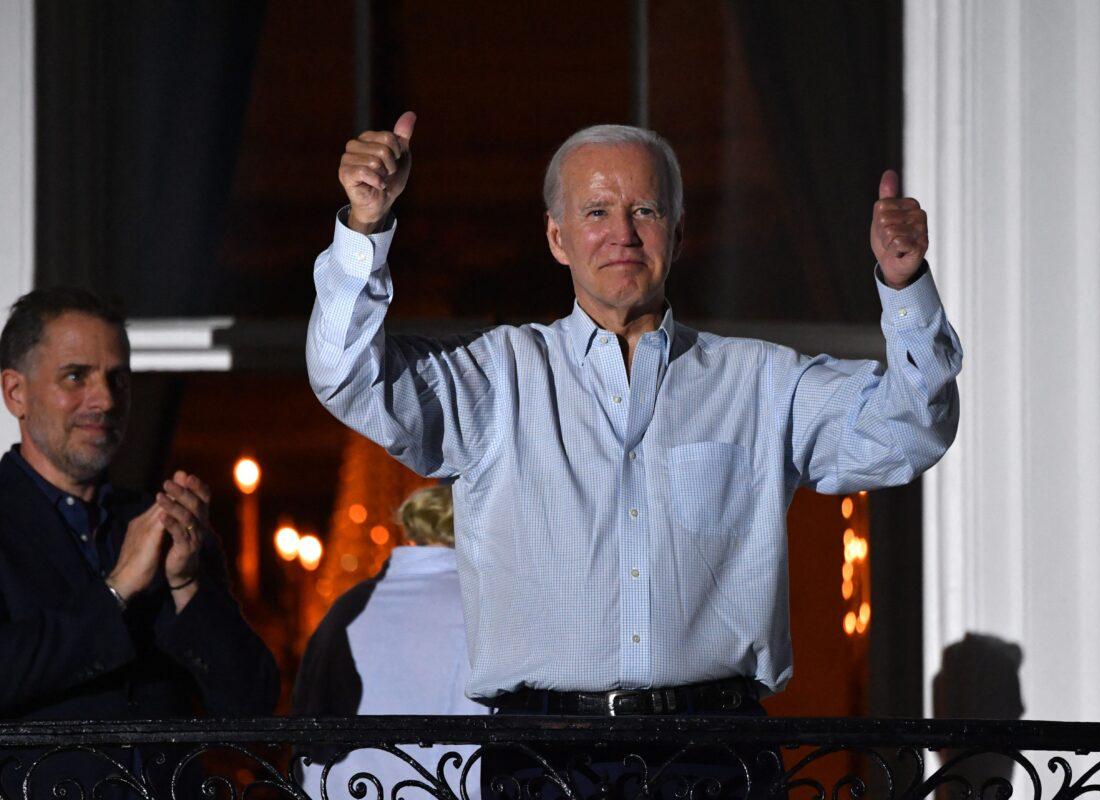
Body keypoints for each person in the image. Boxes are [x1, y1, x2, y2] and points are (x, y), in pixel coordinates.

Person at [307, 113, 961, 794]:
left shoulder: (762, 382)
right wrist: (364, 228)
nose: (622, 233)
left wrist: (906, 287)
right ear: (557, 237)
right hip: (540, 761)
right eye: (597, 211)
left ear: (676, 235)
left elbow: (911, 431)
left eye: (644, 210)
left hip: (716, 758)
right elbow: (348, 376)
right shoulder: (499, 378)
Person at [0, 288, 279, 795]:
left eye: (117, 378)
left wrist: (188, 583)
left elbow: (252, 704)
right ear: (15, 392)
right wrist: (116, 591)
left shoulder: (160, 522)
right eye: (75, 376)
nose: (104, 399)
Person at [293, 485, 483, 798]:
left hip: (350, 788)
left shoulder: (350, 607)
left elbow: (310, 706)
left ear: (411, 534)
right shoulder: (486, 605)